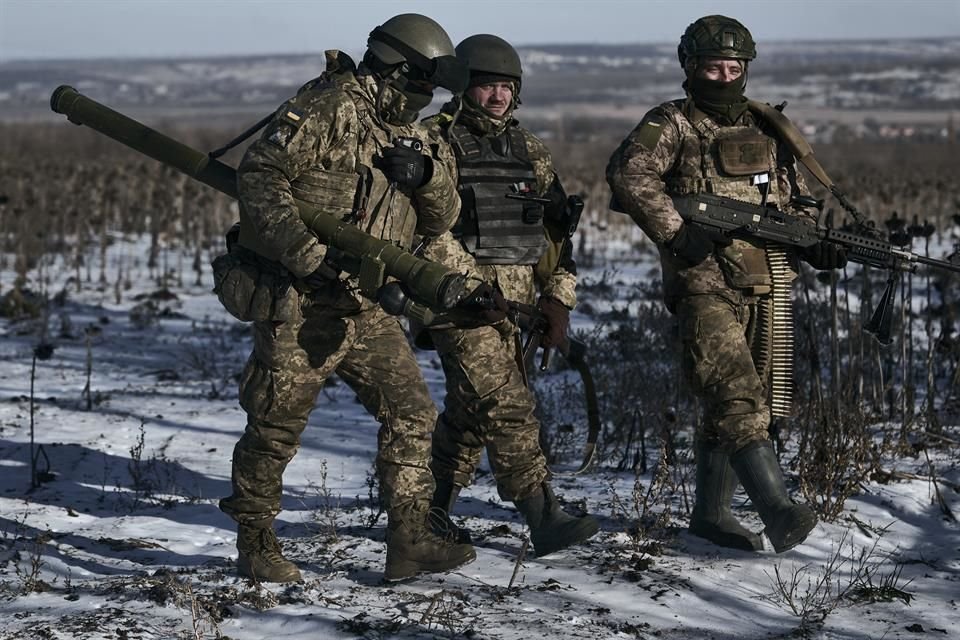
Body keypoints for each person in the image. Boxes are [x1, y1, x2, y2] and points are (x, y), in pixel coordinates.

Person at [217, 13, 476, 582]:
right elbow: (260, 177)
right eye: (421, 84)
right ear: (396, 68)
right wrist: (309, 255)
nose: (424, 98)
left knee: (413, 415)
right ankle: (256, 542)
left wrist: (426, 176)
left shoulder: (405, 128)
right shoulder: (329, 108)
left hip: (366, 306)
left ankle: (409, 539)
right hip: (301, 303)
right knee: (275, 427)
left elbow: (442, 219)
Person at [606, 15, 847, 553]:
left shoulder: (767, 128)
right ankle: (779, 511)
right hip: (703, 282)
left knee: (747, 401)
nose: (723, 75)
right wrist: (675, 233)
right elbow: (628, 174)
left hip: (766, 279)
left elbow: (794, 202)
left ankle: (711, 518)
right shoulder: (673, 123)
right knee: (737, 398)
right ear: (690, 67)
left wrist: (816, 243)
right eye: (712, 66)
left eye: (733, 66)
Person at [418, 34, 599, 557]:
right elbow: (429, 232)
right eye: (485, 86)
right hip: (458, 303)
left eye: (505, 87)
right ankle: (543, 515)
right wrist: (470, 286)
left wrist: (557, 300)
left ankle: (427, 509)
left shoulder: (530, 149)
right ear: (461, 88)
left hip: (517, 309)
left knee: (471, 414)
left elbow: (556, 239)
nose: (497, 97)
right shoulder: (434, 142)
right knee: (507, 406)